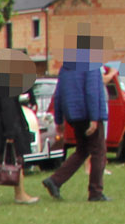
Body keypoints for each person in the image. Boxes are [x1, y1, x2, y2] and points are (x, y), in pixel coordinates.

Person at [44, 34, 108, 202]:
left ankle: (55, 180)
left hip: (73, 116)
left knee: (82, 150)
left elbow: (58, 94)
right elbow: (92, 92)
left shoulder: (66, 68)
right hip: (89, 114)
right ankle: (96, 192)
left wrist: (59, 120)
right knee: (98, 151)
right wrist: (95, 118)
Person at [0, 65, 38, 206]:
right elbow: (8, 108)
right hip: (1, 127)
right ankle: (20, 194)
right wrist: (11, 132)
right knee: (17, 159)